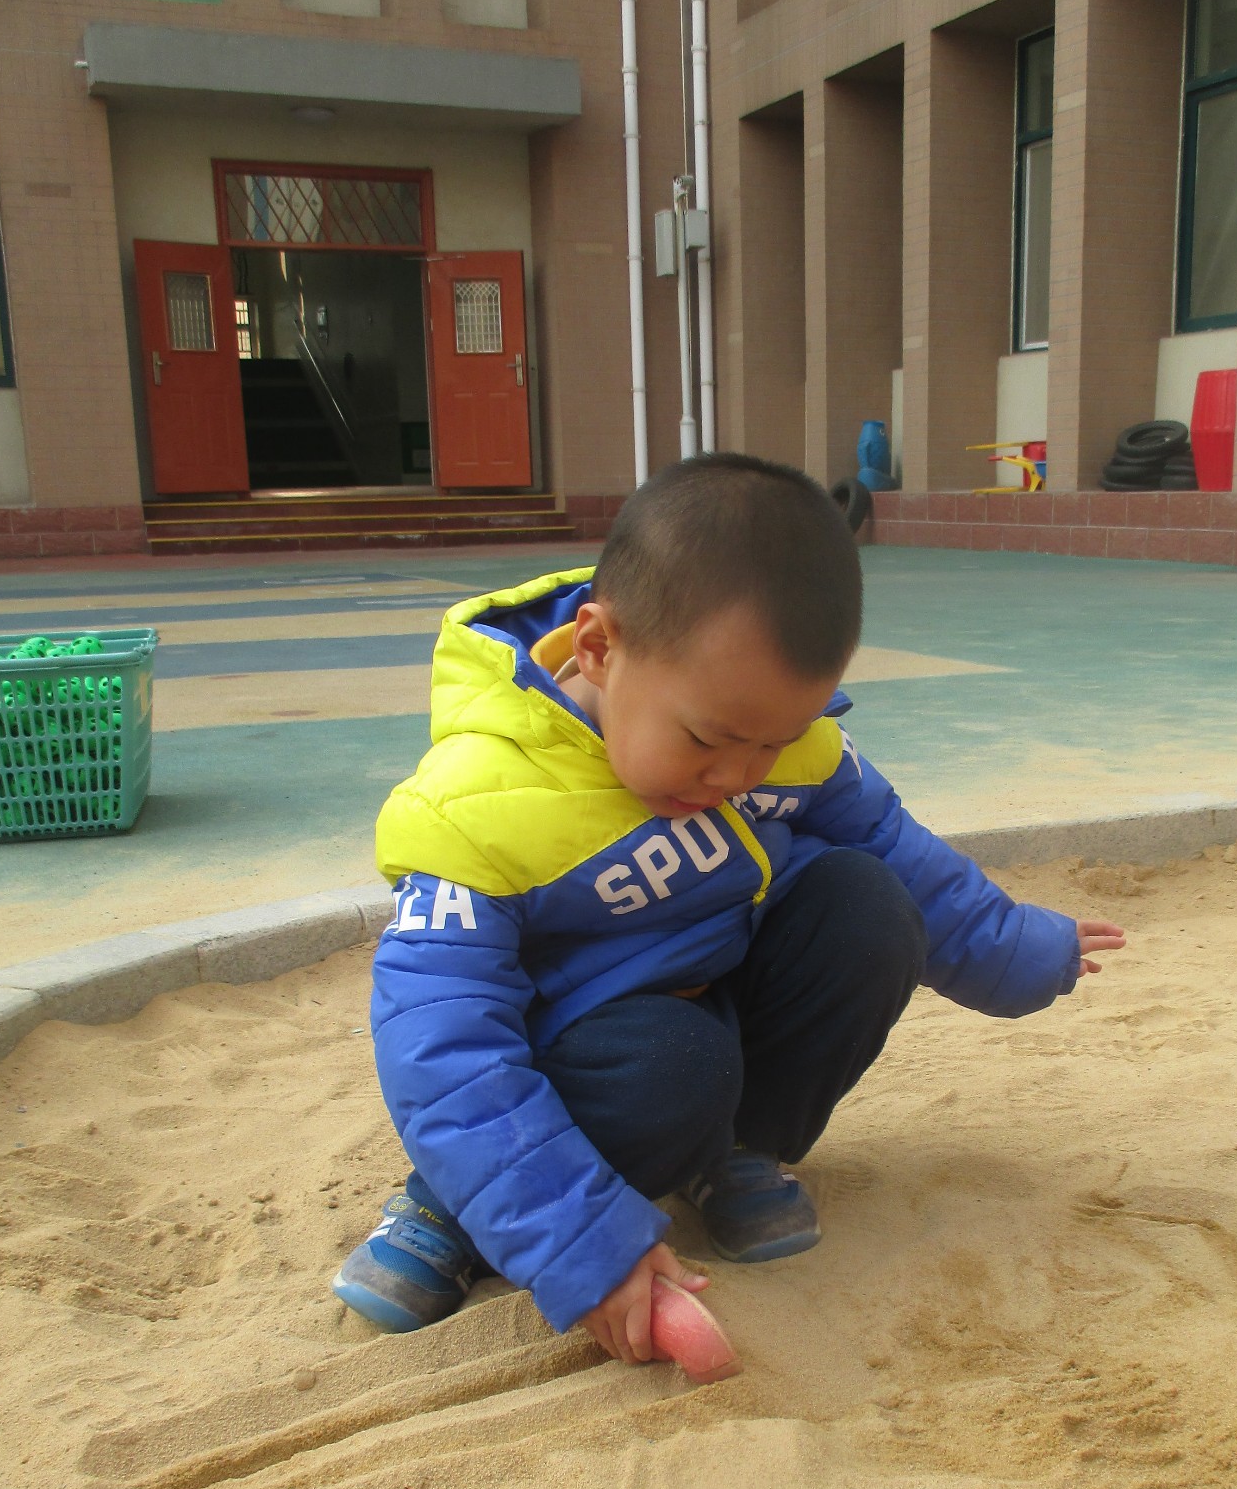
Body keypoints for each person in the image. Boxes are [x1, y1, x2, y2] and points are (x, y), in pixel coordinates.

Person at [333, 454, 1125, 1364]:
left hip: (715, 998)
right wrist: (584, 1250)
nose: (737, 775)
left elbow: (898, 849)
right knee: (675, 1066)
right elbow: (441, 1045)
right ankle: (445, 1206)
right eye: (709, 739)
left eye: (772, 743)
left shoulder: (781, 740)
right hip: (595, 1059)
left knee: (871, 906)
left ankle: (738, 1151)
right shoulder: (475, 806)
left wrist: (1018, 945)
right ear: (598, 649)